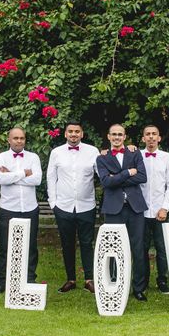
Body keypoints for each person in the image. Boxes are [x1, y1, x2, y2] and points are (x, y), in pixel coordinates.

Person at [97, 124, 149, 301]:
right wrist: (127, 173)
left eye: (120, 134)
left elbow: (142, 177)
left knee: (138, 247)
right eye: (114, 134)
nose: (117, 137)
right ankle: (115, 284)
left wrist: (116, 177)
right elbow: (105, 182)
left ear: (125, 136)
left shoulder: (134, 153)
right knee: (113, 247)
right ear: (109, 136)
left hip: (135, 207)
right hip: (113, 208)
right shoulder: (101, 158)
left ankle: (139, 288)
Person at [47, 121, 99, 294]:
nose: (74, 134)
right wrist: (53, 203)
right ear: (65, 134)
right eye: (70, 131)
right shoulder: (56, 153)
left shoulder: (93, 151)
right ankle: (70, 279)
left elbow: (102, 173)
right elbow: (50, 178)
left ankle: (89, 279)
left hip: (87, 205)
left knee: (86, 243)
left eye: (77, 131)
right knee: (67, 243)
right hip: (63, 206)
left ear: (82, 134)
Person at [0, 128, 42, 295]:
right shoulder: (0, 157)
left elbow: (37, 179)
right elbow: (2, 180)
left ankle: (29, 279)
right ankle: (1, 281)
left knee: (31, 246)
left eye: (22, 138)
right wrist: (24, 173)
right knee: (4, 246)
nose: (19, 141)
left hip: (29, 207)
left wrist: (12, 175)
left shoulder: (33, 157)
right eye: (15, 138)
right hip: (8, 208)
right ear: (9, 139)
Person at [140, 125, 169, 294]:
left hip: (160, 211)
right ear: (143, 138)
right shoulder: (136, 156)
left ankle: (162, 280)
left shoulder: (167, 158)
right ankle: (143, 281)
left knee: (162, 248)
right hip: (141, 211)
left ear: (159, 138)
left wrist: (165, 208)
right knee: (142, 248)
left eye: (154, 134)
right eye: (148, 134)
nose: (151, 137)